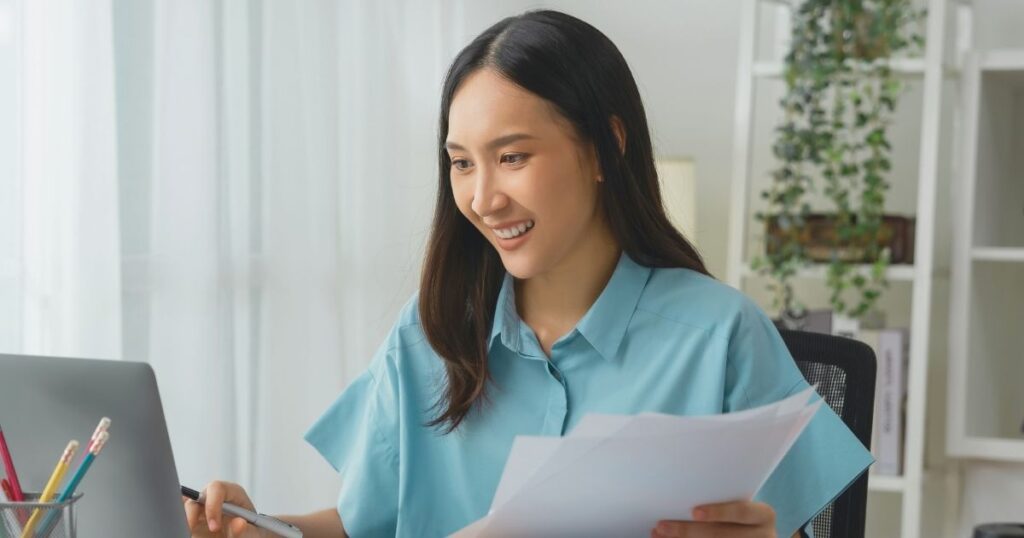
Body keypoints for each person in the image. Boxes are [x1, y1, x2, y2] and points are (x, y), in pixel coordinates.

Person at [183, 9, 872, 538]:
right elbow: (364, 524)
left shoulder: (720, 338)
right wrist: (266, 527)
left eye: (512, 157)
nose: (483, 198)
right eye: (462, 162)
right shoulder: (430, 335)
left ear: (606, 147)